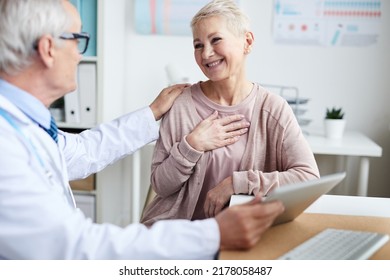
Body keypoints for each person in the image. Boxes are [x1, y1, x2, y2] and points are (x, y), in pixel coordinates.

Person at [0, 0, 285, 259]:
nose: (78, 56)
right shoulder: (6, 143)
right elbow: (73, 246)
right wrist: (214, 233)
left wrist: (151, 113)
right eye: (78, 40)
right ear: (48, 49)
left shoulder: (23, 126)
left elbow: (81, 151)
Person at [141, 0, 319, 226]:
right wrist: (191, 146)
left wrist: (236, 183)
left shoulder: (273, 109)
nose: (206, 53)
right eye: (198, 45)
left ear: (247, 41)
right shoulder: (181, 105)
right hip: (181, 236)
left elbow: (308, 178)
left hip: (242, 235)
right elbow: (160, 185)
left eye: (216, 40)